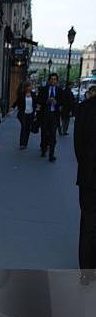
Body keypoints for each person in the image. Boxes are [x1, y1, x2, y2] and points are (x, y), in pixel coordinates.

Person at [74, 85, 96, 285]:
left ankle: (86, 273)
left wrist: (86, 164)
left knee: (88, 223)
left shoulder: (85, 108)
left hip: (88, 175)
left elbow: (78, 144)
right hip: (88, 174)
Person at [37, 73, 63, 162]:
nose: (53, 81)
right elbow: (38, 100)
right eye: (52, 79)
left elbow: (62, 102)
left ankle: (51, 155)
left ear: (57, 81)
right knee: (44, 133)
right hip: (45, 114)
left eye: (55, 79)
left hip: (54, 115)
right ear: (49, 80)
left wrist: (57, 102)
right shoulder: (43, 90)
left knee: (52, 135)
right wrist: (46, 101)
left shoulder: (59, 90)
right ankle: (44, 150)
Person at [13, 80, 37, 149]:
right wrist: (12, 107)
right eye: (30, 86)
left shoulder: (33, 94)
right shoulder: (22, 94)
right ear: (26, 87)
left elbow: (35, 103)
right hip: (23, 113)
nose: (31, 87)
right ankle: (22, 143)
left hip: (31, 113)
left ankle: (25, 143)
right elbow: (17, 101)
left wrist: (36, 111)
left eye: (31, 86)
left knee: (28, 128)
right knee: (23, 127)